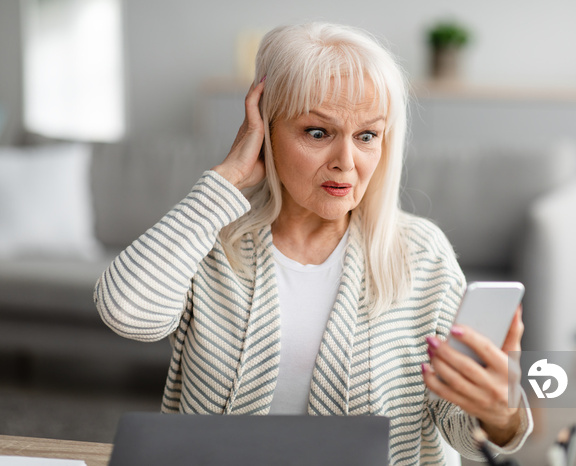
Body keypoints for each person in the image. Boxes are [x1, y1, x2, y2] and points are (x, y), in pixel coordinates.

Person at [94, 22, 533, 465]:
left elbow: (467, 435)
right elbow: (126, 313)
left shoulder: (420, 255)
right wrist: (226, 180)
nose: (347, 162)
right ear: (264, 129)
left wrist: (501, 412)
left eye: (367, 136)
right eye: (318, 133)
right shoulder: (209, 238)